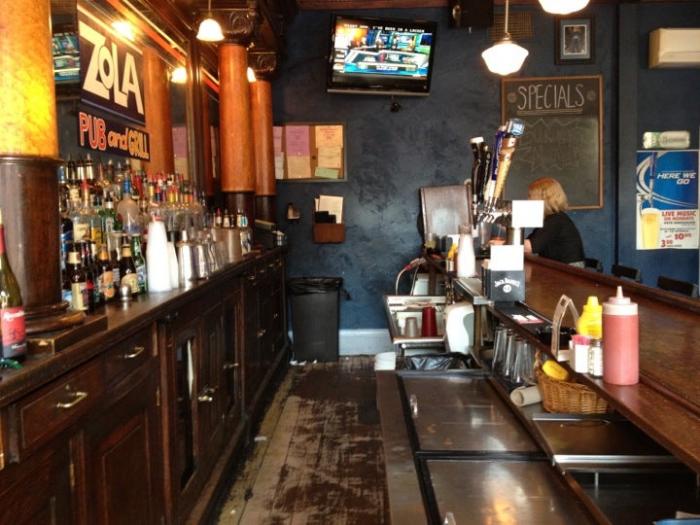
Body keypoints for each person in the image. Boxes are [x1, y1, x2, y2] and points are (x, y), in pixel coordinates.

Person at [524, 177, 585, 266]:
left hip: (569, 269)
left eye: (530, 196)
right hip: (558, 266)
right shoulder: (552, 219)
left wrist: (507, 236)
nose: (528, 200)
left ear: (542, 198)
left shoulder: (555, 220)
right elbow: (530, 241)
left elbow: (529, 247)